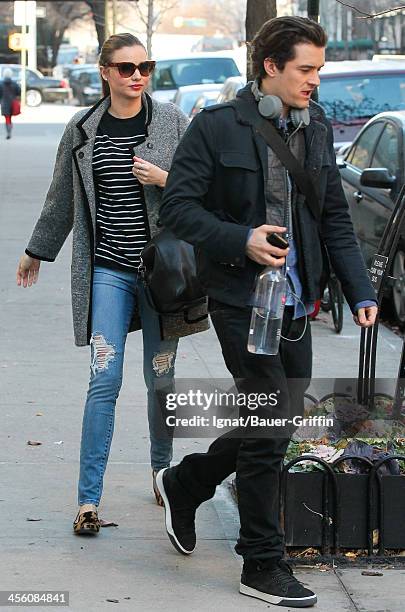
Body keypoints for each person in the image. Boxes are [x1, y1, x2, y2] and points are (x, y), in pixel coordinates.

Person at [156, 16, 378, 608]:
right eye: (306, 69)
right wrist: (241, 239)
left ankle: (187, 482)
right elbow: (178, 208)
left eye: (319, 71)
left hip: (299, 303)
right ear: (271, 67)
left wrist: (360, 292)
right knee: (271, 425)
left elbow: (334, 216)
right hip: (238, 299)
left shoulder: (317, 126)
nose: (315, 81)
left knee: (273, 420)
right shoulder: (216, 126)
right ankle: (261, 562)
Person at [16, 33, 207, 536]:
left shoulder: (172, 122)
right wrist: (39, 250)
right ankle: (88, 501)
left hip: (164, 277)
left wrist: (165, 180)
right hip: (108, 271)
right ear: (105, 72)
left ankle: (162, 475)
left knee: (160, 381)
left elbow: (204, 189)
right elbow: (62, 196)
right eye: (125, 68)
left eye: (145, 66)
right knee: (104, 378)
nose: (137, 75)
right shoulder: (83, 129)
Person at [0, 68, 21, 140]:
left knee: (7, 118)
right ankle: (10, 128)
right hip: (13, 103)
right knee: (10, 117)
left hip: (4, 103)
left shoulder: (1, 83)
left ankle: (8, 131)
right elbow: (19, 92)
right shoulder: (14, 84)